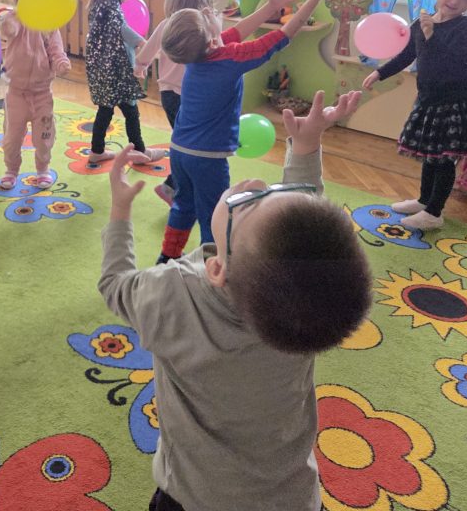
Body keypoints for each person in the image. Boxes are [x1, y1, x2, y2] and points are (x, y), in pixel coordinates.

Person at [100, 90, 372, 511]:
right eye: (275, 190)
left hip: (191, 499)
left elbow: (115, 285)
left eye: (249, 205)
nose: (258, 184)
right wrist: (305, 147)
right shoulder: (307, 308)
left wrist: (120, 213)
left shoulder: (172, 293)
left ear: (216, 269)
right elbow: (304, 241)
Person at [156, 0, 328, 263]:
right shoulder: (227, 58)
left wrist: (271, 7)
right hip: (207, 158)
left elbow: (238, 32)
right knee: (215, 213)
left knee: (183, 205)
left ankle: (167, 257)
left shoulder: (199, 55)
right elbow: (283, 36)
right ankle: (212, 263)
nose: (212, 14)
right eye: (208, 17)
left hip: (180, 150)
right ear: (211, 38)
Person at [363, 0, 467, 231]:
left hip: (456, 102)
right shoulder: (424, 21)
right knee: (431, 155)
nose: (455, 1)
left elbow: (450, 60)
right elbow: (407, 55)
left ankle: (434, 213)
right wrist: (380, 73)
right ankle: (425, 201)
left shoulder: (465, 26)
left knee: (445, 159)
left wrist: (430, 35)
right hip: (430, 100)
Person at [133, 0, 213, 206]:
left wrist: (140, 67)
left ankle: (175, 186)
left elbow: (144, 56)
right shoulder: (207, 27)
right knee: (191, 144)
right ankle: (173, 187)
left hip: (169, 95)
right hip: (194, 97)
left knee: (186, 142)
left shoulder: (167, 24)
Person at [85, 0, 164, 165]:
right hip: (116, 73)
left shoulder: (99, 6)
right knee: (131, 111)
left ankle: (97, 150)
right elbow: (122, 30)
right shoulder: (110, 7)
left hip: (103, 71)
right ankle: (139, 151)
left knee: (105, 110)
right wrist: (142, 42)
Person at [0, 0, 72, 190]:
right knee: (12, 137)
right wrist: (13, 20)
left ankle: (42, 169)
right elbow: (7, 31)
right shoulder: (14, 20)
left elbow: (56, 50)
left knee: (44, 136)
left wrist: (61, 63)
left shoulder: (49, 25)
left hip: (42, 93)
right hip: (16, 93)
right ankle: (11, 170)